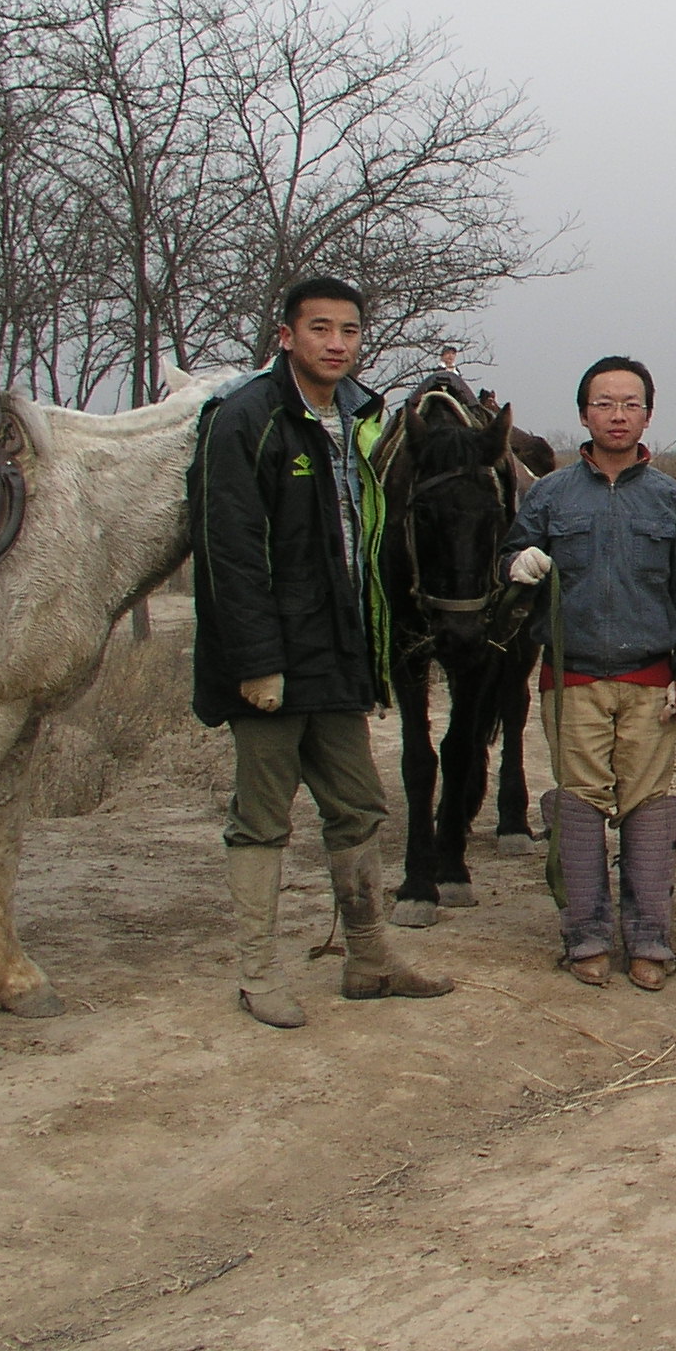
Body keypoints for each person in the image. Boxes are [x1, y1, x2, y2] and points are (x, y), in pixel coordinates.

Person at [189, 276, 452, 1028]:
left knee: (359, 807)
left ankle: (368, 959)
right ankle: (256, 972)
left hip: (337, 654)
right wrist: (255, 661)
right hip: (272, 661)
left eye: (349, 331)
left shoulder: (358, 418)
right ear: (286, 337)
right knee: (263, 817)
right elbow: (228, 551)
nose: (337, 344)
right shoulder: (244, 420)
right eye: (320, 329)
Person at [501, 356, 676, 990]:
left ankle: (649, 937)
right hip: (573, 678)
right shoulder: (549, 495)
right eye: (603, 403)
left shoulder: (673, 500)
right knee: (579, 805)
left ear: (648, 414)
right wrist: (518, 562)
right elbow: (511, 556)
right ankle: (584, 935)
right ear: (583, 413)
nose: (617, 415)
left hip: (651, 681)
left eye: (630, 403)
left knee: (648, 807)